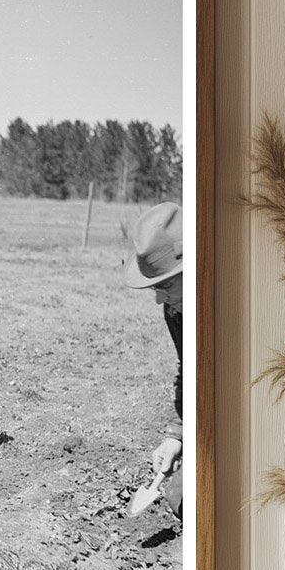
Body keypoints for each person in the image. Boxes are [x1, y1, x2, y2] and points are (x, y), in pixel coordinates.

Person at [125, 201, 184, 518]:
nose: (159, 299)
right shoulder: (176, 310)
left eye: (165, 285)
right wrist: (176, 435)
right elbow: (191, 372)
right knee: (181, 499)